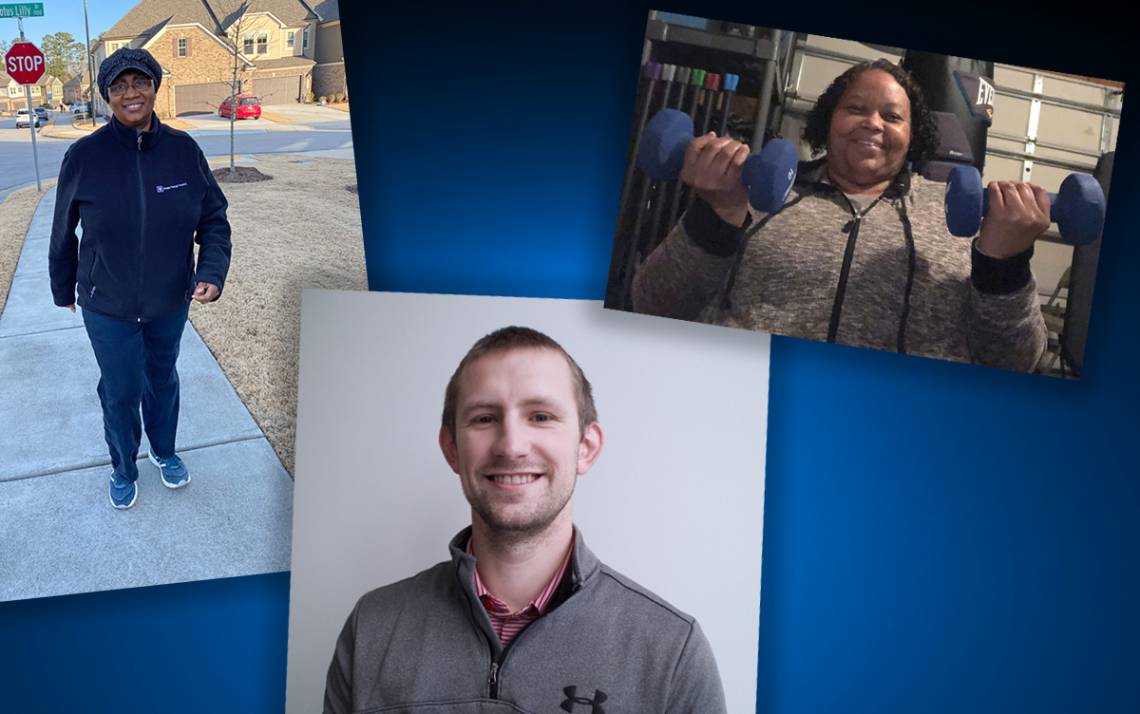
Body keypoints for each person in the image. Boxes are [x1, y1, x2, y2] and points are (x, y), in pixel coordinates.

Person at [324, 326, 727, 713]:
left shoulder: (671, 652)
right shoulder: (372, 629)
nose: (512, 446)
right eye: (484, 418)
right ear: (451, 448)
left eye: (541, 416)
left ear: (586, 447)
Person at [631, 59, 1048, 372]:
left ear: (913, 134)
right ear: (827, 120)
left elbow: (1013, 361)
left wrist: (1003, 267)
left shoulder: (956, 218)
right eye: (856, 109)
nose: (873, 123)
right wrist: (716, 216)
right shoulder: (754, 196)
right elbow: (653, 304)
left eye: (892, 116)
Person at [48, 48, 232, 509]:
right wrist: (62, 287)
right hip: (105, 301)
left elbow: (214, 219)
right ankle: (124, 466)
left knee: (162, 378)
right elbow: (62, 228)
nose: (131, 93)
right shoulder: (84, 156)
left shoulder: (183, 151)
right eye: (119, 86)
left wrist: (211, 270)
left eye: (140, 82)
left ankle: (165, 453)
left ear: (154, 87)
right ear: (107, 96)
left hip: (170, 298)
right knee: (121, 388)